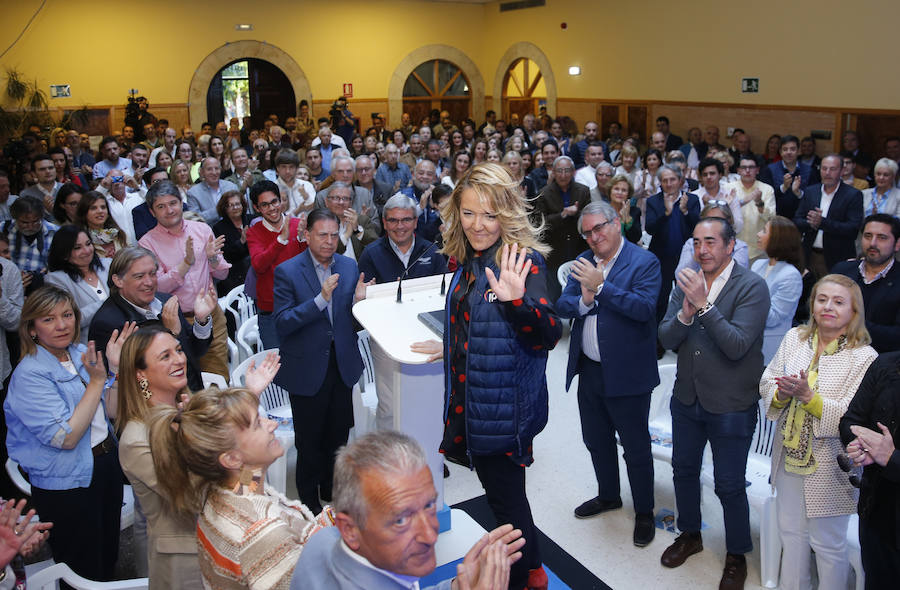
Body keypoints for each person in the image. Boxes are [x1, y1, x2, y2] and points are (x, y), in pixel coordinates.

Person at [411, 162, 561, 590]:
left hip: (502, 414)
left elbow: (548, 333)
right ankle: (533, 570)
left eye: (490, 214)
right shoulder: (472, 259)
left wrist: (518, 303)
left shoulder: (521, 262)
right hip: (479, 403)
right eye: (469, 212)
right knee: (509, 501)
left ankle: (521, 579)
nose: (478, 224)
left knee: (506, 509)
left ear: (507, 214)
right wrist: (450, 346)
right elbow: (473, 318)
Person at [116, 324, 279, 590]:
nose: (179, 359)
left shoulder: (193, 409)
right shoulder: (136, 439)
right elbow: (198, 497)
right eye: (165, 356)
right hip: (188, 561)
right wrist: (249, 458)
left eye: (178, 350)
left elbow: (242, 487)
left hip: (232, 545)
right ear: (140, 374)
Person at [657, 217, 770, 589]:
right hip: (687, 396)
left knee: (729, 484)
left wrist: (704, 306)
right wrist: (685, 314)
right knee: (683, 470)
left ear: (730, 245)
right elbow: (667, 337)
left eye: (710, 242)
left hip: (731, 403)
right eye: (696, 243)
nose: (701, 250)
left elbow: (737, 345)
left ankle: (736, 554)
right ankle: (690, 534)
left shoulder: (752, 286)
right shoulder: (687, 278)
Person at [146, 386, 330, 589]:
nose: (272, 425)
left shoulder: (227, 488)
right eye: (258, 424)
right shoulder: (263, 535)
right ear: (232, 459)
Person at [291, 431, 524, 590]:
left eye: (429, 505)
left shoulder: (322, 540)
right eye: (401, 520)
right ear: (350, 529)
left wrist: (457, 586)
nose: (431, 535)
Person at [4, 286, 128, 582]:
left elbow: (110, 412)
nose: (62, 325)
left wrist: (116, 370)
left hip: (105, 464)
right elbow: (65, 437)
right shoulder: (29, 374)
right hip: (68, 483)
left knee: (108, 555)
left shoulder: (78, 353)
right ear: (31, 329)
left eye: (67, 315)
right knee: (81, 569)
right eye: (48, 319)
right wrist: (98, 382)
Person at [760, 274, 876, 590]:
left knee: (828, 545)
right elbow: (768, 378)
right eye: (822, 299)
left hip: (831, 466)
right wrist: (782, 393)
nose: (828, 307)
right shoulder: (795, 338)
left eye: (839, 302)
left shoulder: (864, 357)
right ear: (812, 304)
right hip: (789, 457)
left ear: (854, 312)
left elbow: (857, 417)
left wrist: (810, 399)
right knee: (791, 535)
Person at [556, 200, 661, 547]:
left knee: (635, 448)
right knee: (596, 441)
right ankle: (608, 496)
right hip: (590, 370)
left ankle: (644, 511)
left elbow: (644, 309)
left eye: (599, 227)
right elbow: (563, 303)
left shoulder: (644, 261)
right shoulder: (584, 262)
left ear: (617, 223)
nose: (593, 236)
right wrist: (585, 300)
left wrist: (602, 288)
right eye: (587, 231)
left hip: (628, 375)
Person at [272, 208, 373, 514]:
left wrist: (360, 305)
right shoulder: (288, 271)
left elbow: (351, 321)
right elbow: (282, 322)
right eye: (322, 235)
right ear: (306, 235)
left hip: (341, 364)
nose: (329, 242)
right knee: (309, 439)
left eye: (333, 235)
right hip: (306, 367)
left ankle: (332, 488)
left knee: (338, 435)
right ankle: (308, 499)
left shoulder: (347, 266)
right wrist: (319, 301)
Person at [88, 247, 214, 393]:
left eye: (152, 274)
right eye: (139, 276)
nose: (149, 282)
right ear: (118, 280)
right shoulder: (108, 324)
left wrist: (201, 320)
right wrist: (170, 334)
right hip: (156, 409)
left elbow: (195, 351)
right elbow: (131, 385)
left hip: (191, 395)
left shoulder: (166, 301)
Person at [139, 181, 230, 380]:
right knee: (182, 382)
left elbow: (222, 275)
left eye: (173, 203)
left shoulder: (202, 230)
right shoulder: (146, 243)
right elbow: (156, 288)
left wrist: (213, 258)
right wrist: (186, 263)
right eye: (161, 206)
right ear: (152, 212)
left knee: (217, 378)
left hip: (210, 315)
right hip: (173, 322)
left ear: (182, 203)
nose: (169, 210)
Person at [839, 352, 900, 589]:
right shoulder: (887, 364)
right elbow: (851, 421)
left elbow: (888, 455)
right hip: (877, 512)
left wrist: (891, 458)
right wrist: (859, 444)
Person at [245, 181, 307, 349]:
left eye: (274, 202)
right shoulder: (253, 232)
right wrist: (281, 240)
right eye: (265, 205)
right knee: (275, 365)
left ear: (281, 201)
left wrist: (302, 239)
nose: (272, 208)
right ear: (257, 208)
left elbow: (307, 262)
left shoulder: (297, 225)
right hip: (270, 311)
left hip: (299, 305)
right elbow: (259, 265)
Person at [832, 214, 900, 352]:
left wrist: (852, 324)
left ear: (897, 244)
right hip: (834, 353)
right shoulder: (842, 270)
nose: (873, 243)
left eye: (882, 238)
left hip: (881, 361)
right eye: (868, 236)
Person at [645, 164, 701, 323]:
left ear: (680, 180)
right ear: (660, 183)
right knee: (660, 299)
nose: (669, 184)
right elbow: (650, 229)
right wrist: (666, 213)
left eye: (672, 180)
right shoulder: (653, 201)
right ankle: (659, 339)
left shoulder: (691, 200)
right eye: (665, 180)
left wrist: (685, 211)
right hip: (661, 259)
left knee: (687, 298)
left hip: (687, 259)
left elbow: (698, 228)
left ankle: (682, 338)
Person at [793, 154, 864, 279]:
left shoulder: (853, 195)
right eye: (824, 168)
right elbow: (797, 220)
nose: (827, 173)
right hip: (810, 255)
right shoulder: (811, 191)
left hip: (837, 257)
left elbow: (853, 228)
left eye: (832, 169)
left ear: (842, 171)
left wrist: (823, 222)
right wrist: (811, 223)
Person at [532, 155, 591, 299]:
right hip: (554, 252)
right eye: (559, 171)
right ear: (553, 172)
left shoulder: (583, 191)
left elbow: (589, 219)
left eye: (567, 170)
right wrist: (562, 214)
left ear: (573, 172)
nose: (563, 175)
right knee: (554, 295)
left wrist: (576, 214)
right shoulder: (543, 193)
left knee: (579, 294)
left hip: (578, 249)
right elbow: (538, 224)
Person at [358, 193, 447, 285]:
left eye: (406, 220)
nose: (400, 226)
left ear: (415, 222)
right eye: (393, 220)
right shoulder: (371, 254)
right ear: (384, 223)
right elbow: (364, 293)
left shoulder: (432, 251)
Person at [46, 225, 111, 344]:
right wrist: (109, 302)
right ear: (64, 254)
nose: (87, 251)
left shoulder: (108, 264)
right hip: (91, 346)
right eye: (77, 248)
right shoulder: (55, 280)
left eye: (88, 244)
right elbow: (71, 320)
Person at [752, 216, 804, 363]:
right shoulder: (758, 265)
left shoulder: (790, 275)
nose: (758, 234)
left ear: (777, 239)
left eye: (764, 231)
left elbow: (773, 318)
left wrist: (745, 303)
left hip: (770, 348)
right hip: (749, 342)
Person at [675, 202, 749, 275]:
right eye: (708, 220)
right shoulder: (691, 244)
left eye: (718, 220)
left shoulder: (740, 247)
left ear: (729, 222)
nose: (712, 225)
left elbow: (737, 277)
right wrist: (696, 257)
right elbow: (680, 276)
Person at [732, 156, 775, 261]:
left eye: (751, 167)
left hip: (759, 250)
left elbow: (771, 219)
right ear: (738, 170)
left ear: (757, 170)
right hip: (733, 249)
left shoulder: (767, 189)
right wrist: (743, 201)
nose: (747, 171)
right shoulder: (728, 188)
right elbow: (723, 214)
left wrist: (759, 202)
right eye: (743, 167)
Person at [211, 190, 251, 298]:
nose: (235, 207)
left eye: (238, 204)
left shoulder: (251, 219)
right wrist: (241, 241)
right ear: (224, 208)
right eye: (230, 205)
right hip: (234, 275)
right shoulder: (218, 228)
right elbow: (225, 254)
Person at [76, 191, 129, 258]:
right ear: (84, 213)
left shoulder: (120, 234)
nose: (100, 211)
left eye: (103, 207)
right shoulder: (80, 240)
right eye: (93, 208)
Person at [186, 157, 239, 224]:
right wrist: (219, 209)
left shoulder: (231, 187)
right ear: (202, 172)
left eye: (216, 168)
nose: (214, 172)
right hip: (208, 232)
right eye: (209, 169)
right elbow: (194, 220)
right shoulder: (193, 193)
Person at [606, 175, 642, 244]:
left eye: (624, 190)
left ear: (628, 194)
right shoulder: (602, 211)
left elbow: (636, 238)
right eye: (616, 189)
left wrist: (627, 218)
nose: (620, 193)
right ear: (610, 191)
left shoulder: (635, 211)